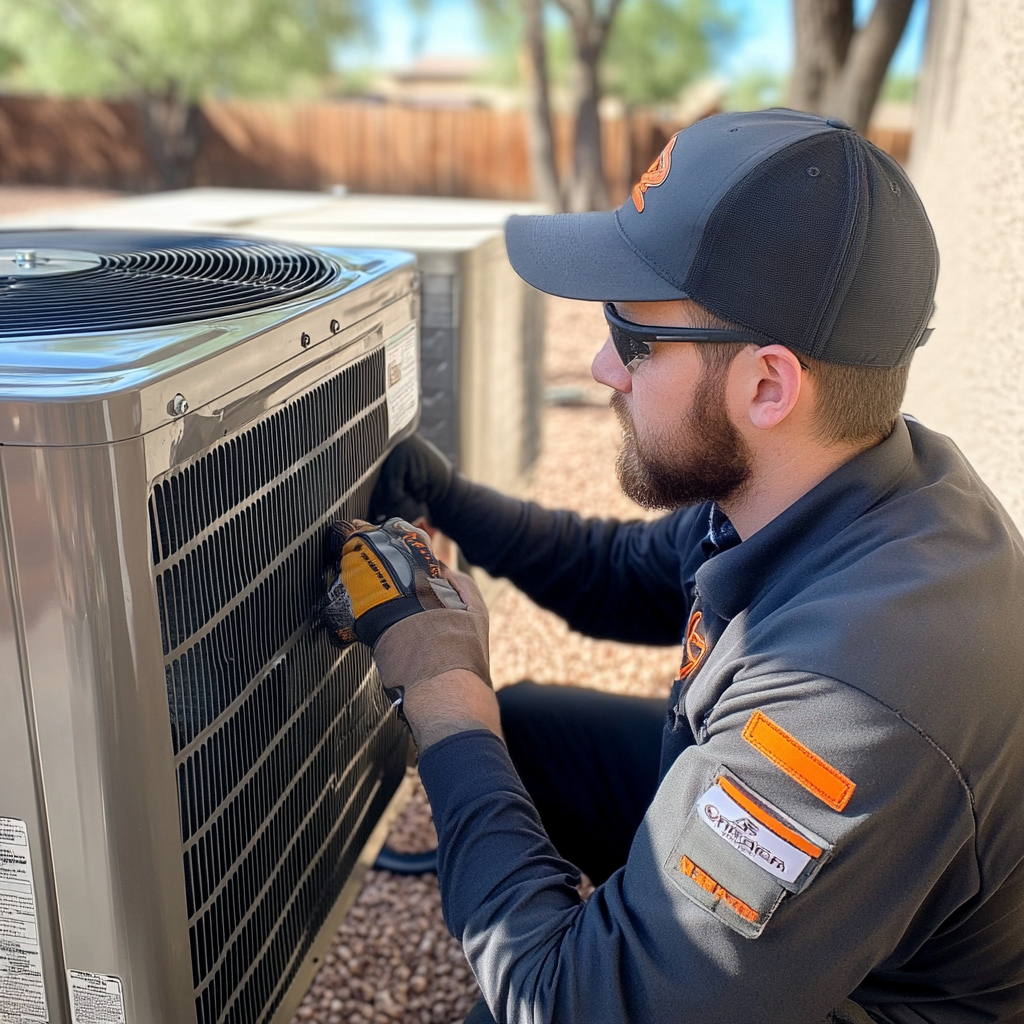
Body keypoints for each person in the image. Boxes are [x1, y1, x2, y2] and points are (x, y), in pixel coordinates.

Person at [337, 109, 1024, 1024]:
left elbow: (569, 1007)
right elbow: (619, 572)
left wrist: (442, 688)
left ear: (768, 385)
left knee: (517, 1001)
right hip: (858, 882)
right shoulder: (833, 477)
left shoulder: (851, 703)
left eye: (634, 337)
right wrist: (452, 500)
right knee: (526, 733)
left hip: (870, 995)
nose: (600, 366)